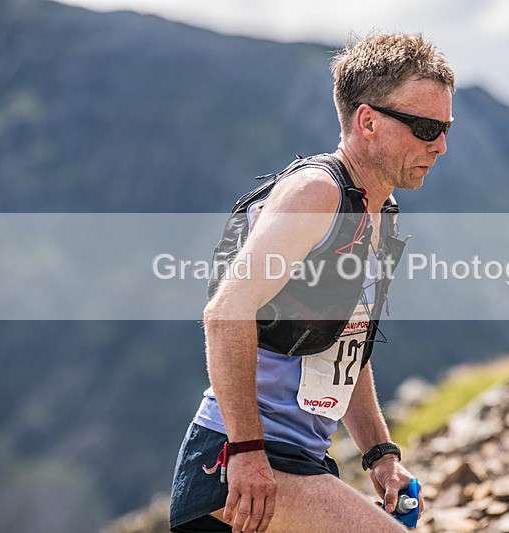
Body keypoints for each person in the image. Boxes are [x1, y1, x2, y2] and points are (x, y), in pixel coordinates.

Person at [169, 32, 455, 533]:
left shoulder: (378, 213)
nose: (441, 146)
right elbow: (226, 313)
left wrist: (379, 454)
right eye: (427, 127)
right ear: (368, 121)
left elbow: (343, 346)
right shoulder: (316, 193)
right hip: (240, 463)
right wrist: (248, 451)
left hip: (296, 460)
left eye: (446, 127)